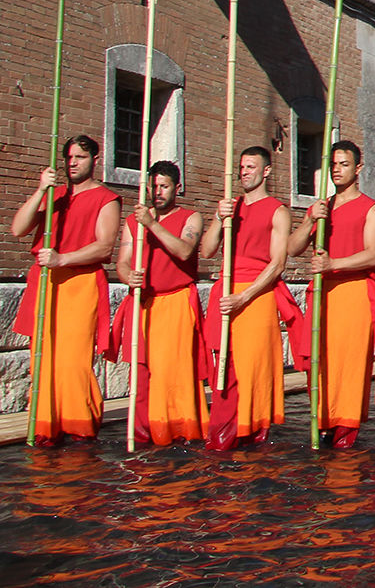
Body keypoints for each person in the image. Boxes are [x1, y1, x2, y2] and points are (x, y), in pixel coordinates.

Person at [10, 135, 121, 445]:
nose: (73, 163)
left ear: (94, 160)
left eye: (80, 158)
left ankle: (80, 429)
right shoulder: (54, 195)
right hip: (46, 283)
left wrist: (62, 258)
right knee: (43, 360)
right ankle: (46, 427)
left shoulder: (106, 198)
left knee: (72, 362)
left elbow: (104, 246)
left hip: (80, 284)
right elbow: (18, 229)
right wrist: (40, 190)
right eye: (69, 158)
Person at [202, 145, 301, 451]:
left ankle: (252, 435)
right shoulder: (231, 209)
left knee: (252, 369)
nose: (244, 172)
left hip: (255, 295)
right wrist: (220, 219)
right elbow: (205, 252)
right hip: (226, 290)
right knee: (224, 368)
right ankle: (220, 435)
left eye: (250, 167)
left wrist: (243, 297)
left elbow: (277, 264)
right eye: (242, 167)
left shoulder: (278, 211)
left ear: (265, 171)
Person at [288, 140, 375, 449]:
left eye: (344, 164)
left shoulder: (370, 207)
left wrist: (335, 263)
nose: (337, 170)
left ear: (357, 168)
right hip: (323, 295)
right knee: (322, 362)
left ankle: (346, 428)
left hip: (354, 293)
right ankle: (323, 420)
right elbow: (292, 249)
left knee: (350, 364)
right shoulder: (321, 208)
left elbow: (373, 254)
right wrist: (308, 221)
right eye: (333, 165)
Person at [109, 160, 208, 445]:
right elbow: (123, 263)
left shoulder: (192, 218)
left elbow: (184, 250)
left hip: (176, 300)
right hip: (143, 303)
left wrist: (152, 224)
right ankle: (144, 433)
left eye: (164, 186)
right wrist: (129, 277)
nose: (158, 192)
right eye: (154, 186)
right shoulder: (133, 222)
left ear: (177, 188)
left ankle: (179, 430)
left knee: (173, 372)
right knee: (143, 373)